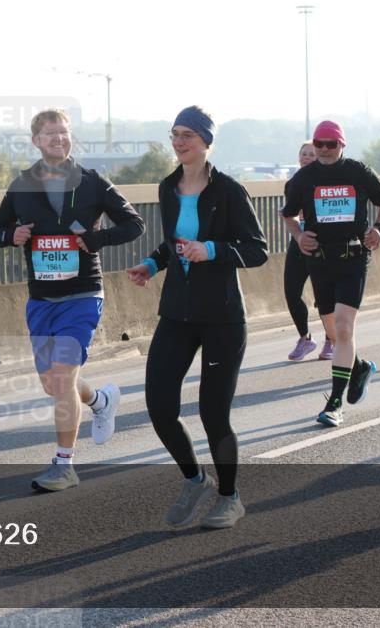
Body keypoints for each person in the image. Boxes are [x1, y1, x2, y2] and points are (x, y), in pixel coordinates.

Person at [126, 105, 268, 529]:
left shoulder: (228, 190)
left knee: (213, 414)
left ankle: (230, 496)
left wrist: (213, 250)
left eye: (188, 134)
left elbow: (258, 249)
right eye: (174, 133)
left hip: (222, 316)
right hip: (176, 312)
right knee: (159, 405)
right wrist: (152, 265)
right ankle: (194, 478)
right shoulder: (168, 187)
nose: (179, 141)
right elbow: (173, 243)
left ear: (206, 140)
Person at [0, 108, 144, 492]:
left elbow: (133, 223)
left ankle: (64, 464)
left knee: (61, 379)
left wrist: (95, 239)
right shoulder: (22, 184)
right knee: (53, 384)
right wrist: (13, 236)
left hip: (83, 295)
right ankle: (101, 401)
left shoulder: (91, 182)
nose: (59, 138)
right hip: (42, 299)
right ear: (36, 141)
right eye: (50, 133)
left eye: (64, 132)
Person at [282, 120, 380, 427]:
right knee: (334, 331)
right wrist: (298, 235)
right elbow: (288, 214)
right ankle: (358, 368)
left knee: (345, 328)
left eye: (330, 144)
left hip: (353, 258)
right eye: (319, 144)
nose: (324, 150)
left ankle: (334, 404)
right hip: (319, 262)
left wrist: (378, 227)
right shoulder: (304, 178)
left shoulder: (357, 171)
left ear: (342, 145)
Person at [284, 141, 337, 360]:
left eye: (311, 154)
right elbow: (290, 213)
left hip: (322, 243)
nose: (306, 157)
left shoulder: (326, 182)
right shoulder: (293, 183)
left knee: (324, 294)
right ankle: (305, 339)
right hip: (299, 241)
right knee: (291, 290)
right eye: (303, 154)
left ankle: (331, 340)